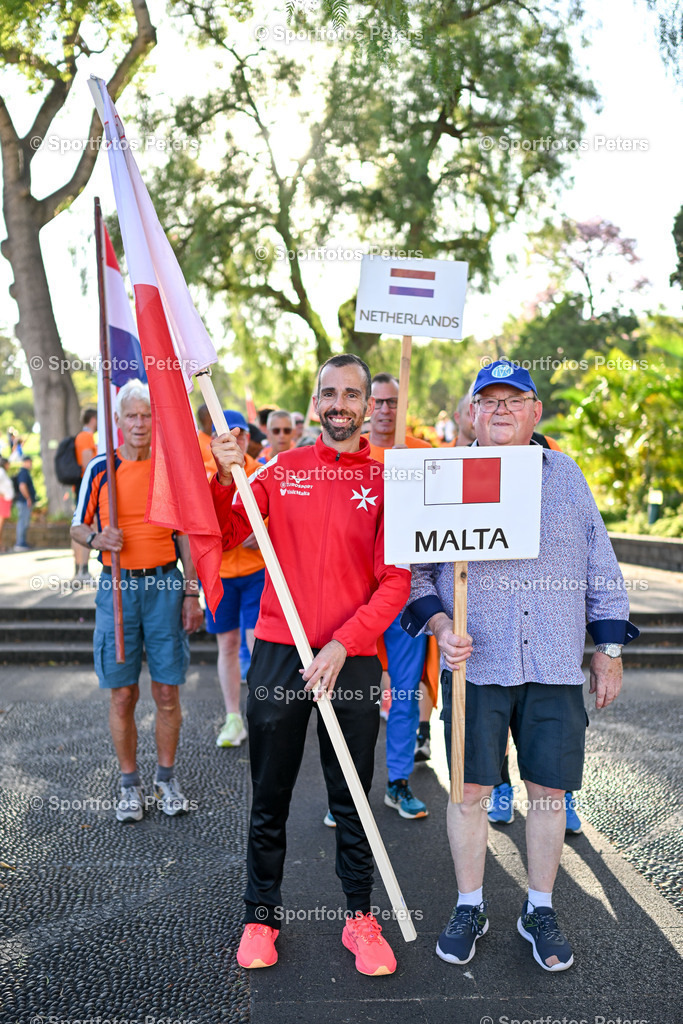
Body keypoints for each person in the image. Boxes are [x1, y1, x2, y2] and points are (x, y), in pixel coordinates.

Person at [402, 359, 638, 973]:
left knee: (549, 794)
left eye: (516, 399)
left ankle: (539, 907)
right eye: (490, 399)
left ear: (536, 412)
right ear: (471, 413)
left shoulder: (566, 476)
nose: (502, 408)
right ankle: (470, 904)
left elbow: (602, 569)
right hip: (474, 666)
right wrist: (441, 625)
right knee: (470, 791)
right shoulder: (444, 475)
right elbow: (418, 573)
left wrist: (608, 652)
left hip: (554, 664)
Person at [210, 354, 411, 977]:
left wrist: (344, 643)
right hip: (277, 650)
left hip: (347, 659)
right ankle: (260, 917)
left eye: (353, 393)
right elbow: (226, 528)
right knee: (268, 794)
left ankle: (359, 919)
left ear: (365, 405)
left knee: (352, 794)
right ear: (315, 401)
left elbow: (396, 581)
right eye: (330, 393)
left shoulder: (386, 484)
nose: (341, 403)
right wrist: (224, 477)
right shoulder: (279, 470)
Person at [71, 379, 204, 823]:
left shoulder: (172, 469)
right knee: (123, 694)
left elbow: (185, 534)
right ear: (118, 422)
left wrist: (191, 592)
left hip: (167, 587)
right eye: (132, 415)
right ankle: (130, 784)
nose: (141, 423)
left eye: (147, 415)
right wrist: (95, 537)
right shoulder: (100, 469)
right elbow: (76, 526)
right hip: (117, 589)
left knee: (167, 692)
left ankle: (166, 777)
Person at [366, 372, 432, 820]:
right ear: (367, 405)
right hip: (357, 596)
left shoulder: (424, 454)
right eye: (379, 402)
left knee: (405, 695)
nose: (387, 410)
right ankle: (345, 792)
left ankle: (398, 781)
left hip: (408, 594)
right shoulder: (347, 452)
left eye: (394, 402)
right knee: (352, 694)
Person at [205, 409, 265, 748]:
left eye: (240, 434)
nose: (236, 440)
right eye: (227, 435)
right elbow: (200, 525)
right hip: (221, 574)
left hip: (257, 572)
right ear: (215, 441)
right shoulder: (206, 472)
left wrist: (264, 532)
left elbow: (280, 517)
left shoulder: (262, 471)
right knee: (227, 645)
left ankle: (260, 713)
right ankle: (232, 718)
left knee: (258, 644)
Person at [71, 408, 98, 580]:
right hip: (86, 486)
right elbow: (88, 464)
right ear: (94, 419)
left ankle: (80, 570)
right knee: (84, 526)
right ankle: (82, 570)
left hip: (81, 486)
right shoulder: (86, 436)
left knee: (81, 524)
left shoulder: (82, 436)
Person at [13, 455, 36, 551]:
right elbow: (22, 486)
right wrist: (28, 498)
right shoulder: (23, 472)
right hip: (23, 501)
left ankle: (22, 542)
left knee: (24, 521)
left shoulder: (24, 472)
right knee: (23, 522)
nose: (31, 464)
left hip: (24, 501)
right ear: (26, 462)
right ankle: (20, 543)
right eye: (30, 462)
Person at [0, 457, 13, 552]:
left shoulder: (3, 473)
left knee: (2, 525)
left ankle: (2, 545)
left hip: (5, 500)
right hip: (2, 500)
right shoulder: (1, 472)